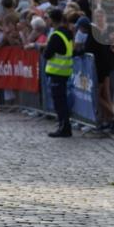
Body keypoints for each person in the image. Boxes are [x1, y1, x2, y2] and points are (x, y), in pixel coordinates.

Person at [43, 8, 73, 138]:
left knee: (59, 102)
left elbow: (47, 54)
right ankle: (64, 125)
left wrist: (45, 49)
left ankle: (64, 128)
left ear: (52, 19)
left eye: (48, 18)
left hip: (57, 72)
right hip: (65, 72)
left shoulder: (56, 35)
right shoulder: (67, 32)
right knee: (62, 101)